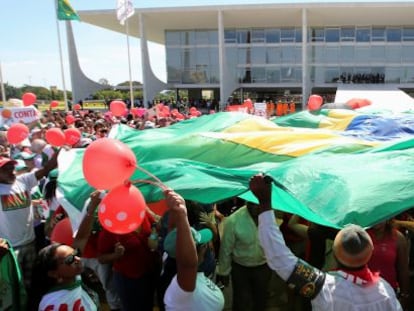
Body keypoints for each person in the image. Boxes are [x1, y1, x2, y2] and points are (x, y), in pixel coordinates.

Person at [249, 173, 403, 311]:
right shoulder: (385, 290)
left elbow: (279, 258)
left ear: (335, 253)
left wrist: (265, 203)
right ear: (370, 253)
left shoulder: (322, 286)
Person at [0, 151, 58, 289]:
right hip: (9, 248)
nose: (12, 172)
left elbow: (46, 169)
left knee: (29, 282)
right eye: (5, 170)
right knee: (12, 285)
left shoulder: (23, 180)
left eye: (12, 168)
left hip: (30, 242)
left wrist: (59, 152)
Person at [162, 189, 224, 311]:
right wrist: (181, 214)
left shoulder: (170, 259)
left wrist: (176, 213)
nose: (206, 247)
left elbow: (173, 235)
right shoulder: (183, 286)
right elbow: (187, 264)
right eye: (202, 245)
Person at [216, 200, 272, 311]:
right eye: (252, 203)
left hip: (263, 267)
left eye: (259, 203)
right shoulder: (233, 220)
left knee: (260, 300)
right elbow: (226, 249)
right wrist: (224, 272)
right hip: (241, 269)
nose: (256, 207)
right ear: (247, 203)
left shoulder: (269, 217)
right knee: (241, 302)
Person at [30, 243, 99, 311]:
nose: (78, 259)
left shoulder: (76, 277)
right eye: (70, 259)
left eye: (76, 253)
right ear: (53, 273)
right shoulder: (53, 304)